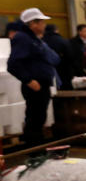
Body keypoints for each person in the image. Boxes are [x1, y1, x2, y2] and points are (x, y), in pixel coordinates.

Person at [7, 8, 60, 149]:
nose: (44, 25)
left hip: (43, 83)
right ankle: (35, 152)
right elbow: (13, 64)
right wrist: (29, 80)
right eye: (41, 22)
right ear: (33, 24)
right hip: (35, 85)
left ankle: (38, 149)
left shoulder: (34, 39)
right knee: (34, 119)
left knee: (39, 118)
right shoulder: (22, 38)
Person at [42, 23, 73, 88]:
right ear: (56, 30)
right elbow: (70, 56)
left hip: (47, 71)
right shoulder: (64, 41)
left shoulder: (41, 41)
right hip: (64, 70)